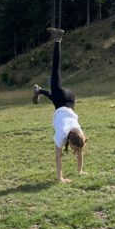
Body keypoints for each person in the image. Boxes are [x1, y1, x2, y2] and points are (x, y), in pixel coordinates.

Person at [32, 27, 87, 183]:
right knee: (55, 70)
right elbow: (58, 157)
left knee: (54, 97)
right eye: (76, 148)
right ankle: (57, 39)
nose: (77, 151)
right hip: (63, 100)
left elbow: (80, 149)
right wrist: (60, 178)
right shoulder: (62, 134)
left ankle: (39, 90)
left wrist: (80, 171)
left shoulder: (79, 134)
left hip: (70, 99)